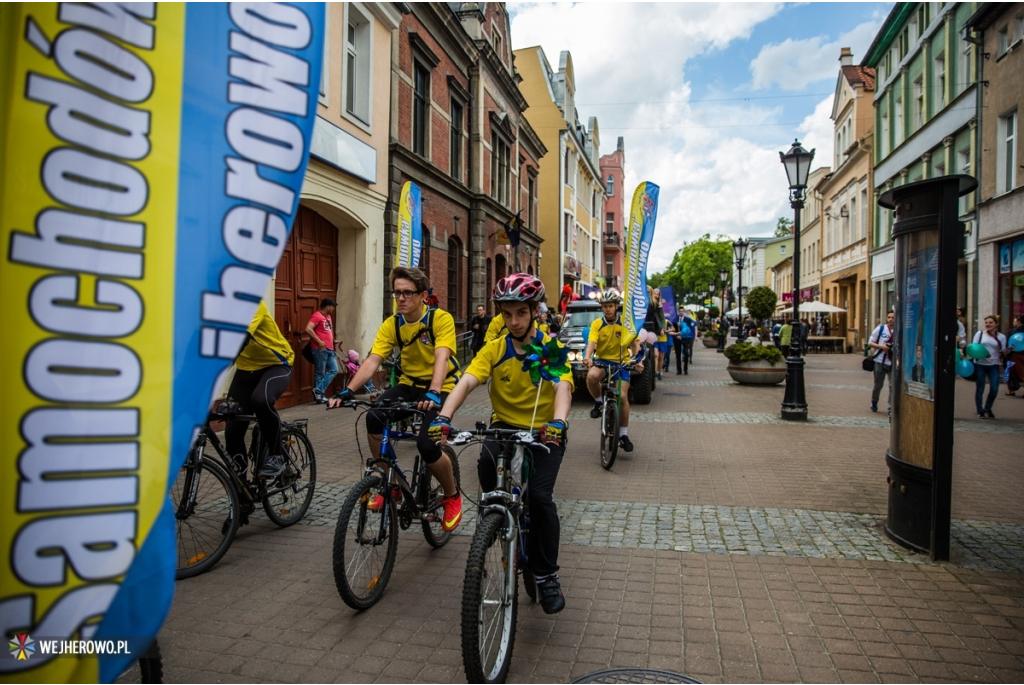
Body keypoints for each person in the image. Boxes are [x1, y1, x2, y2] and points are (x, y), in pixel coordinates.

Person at [429, 273, 570, 614]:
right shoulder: (495, 348)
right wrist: (444, 418)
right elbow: (466, 382)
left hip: (543, 430)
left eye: (521, 313)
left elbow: (562, 387)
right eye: (506, 314)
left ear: (535, 311)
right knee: (485, 463)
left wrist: (559, 422)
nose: (514, 321)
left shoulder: (550, 349)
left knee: (539, 497)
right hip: (504, 426)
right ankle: (495, 517)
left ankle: (547, 575)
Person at [329, 267, 463, 530]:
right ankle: (391, 486)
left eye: (407, 293)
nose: (401, 298)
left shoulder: (440, 319)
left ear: (423, 295)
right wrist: (348, 390)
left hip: (443, 385)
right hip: (409, 385)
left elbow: (442, 357)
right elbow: (373, 360)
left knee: (427, 445)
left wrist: (434, 391)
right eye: (397, 293)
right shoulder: (393, 324)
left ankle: (452, 495)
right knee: (374, 417)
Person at [226, 301, 294, 478]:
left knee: (261, 400)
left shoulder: (252, 302)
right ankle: (241, 491)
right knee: (232, 428)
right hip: (246, 369)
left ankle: (276, 455)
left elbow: (241, 339)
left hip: (276, 364)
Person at [584, 289, 644, 453]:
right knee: (591, 376)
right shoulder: (597, 324)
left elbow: (634, 344)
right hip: (603, 360)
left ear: (616, 306)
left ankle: (623, 435)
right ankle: (598, 401)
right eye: (604, 306)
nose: (607, 309)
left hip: (621, 362)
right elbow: (591, 342)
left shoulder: (625, 323)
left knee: (623, 397)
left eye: (610, 306)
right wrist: (588, 357)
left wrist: (638, 360)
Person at [972, 315, 1007, 419]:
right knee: (980, 388)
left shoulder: (1001, 337)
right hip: (981, 364)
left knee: (995, 388)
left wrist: (1006, 352)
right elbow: (973, 348)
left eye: (991, 322)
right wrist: (982, 354)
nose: (988, 324)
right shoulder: (980, 334)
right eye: (986, 322)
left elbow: (1002, 351)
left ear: (996, 324)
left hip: (994, 365)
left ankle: (987, 408)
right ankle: (979, 410)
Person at [306, 298, 340, 403]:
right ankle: (319, 397)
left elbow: (327, 330)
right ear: (327, 306)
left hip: (329, 348)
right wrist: (319, 341)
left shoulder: (328, 317)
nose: (333, 309)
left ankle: (318, 390)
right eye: (332, 306)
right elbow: (308, 329)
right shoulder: (317, 316)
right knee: (320, 372)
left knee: (334, 369)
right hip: (320, 349)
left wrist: (333, 340)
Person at [867, 311, 894, 414]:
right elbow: (870, 343)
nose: (891, 319)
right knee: (878, 385)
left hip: (892, 362)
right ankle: (874, 401)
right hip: (879, 361)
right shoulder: (881, 329)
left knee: (892, 386)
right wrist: (882, 347)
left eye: (893, 318)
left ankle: (890, 407)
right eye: (889, 317)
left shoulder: (899, 330)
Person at [645, 288, 668, 380]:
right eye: (655, 293)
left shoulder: (657, 305)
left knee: (659, 355)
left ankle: (658, 371)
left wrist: (662, 328)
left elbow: (662, 318)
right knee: (655, 354)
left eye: (658, 294)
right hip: (645, 330)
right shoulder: (645, 303)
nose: (656, 295)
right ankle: (654, 371)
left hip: (655, 331)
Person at [1004, 314, 1024, 396]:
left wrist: (1005, 353)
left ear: (1018, 322)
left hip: (1015, 355)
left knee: (1011, 371)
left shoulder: (1012, 331)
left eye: (1014, 321)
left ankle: (1011, 390)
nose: (1013, 322)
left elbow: (1010, 344)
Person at [676, 307, 696, 375]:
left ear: (684, 312)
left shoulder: (687, 319)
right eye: (680, 311)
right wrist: (677, 335)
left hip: (685, 338)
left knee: (686, 353)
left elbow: (689, 329)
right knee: (678, 354)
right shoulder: (675, 319)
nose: (681, 312)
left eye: (682, 311)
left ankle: (685, 369)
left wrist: (682, 335)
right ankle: (679, 370)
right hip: (677, 338)